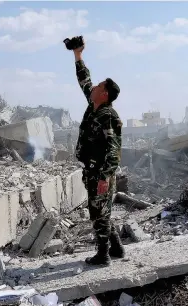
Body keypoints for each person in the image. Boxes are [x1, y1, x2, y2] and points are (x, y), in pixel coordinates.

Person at [73, 43, 124, 266]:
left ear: (104, 93)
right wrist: (78, 55)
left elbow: (114, 148)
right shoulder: (93, 106)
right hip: (92, 171)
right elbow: (84, 81)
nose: (93, 87)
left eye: (99, 85)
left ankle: (103, 255)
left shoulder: (107, 115)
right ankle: (117, 248)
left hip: (101, 172)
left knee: (99, 214)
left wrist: (105, 176)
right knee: (100, 211)